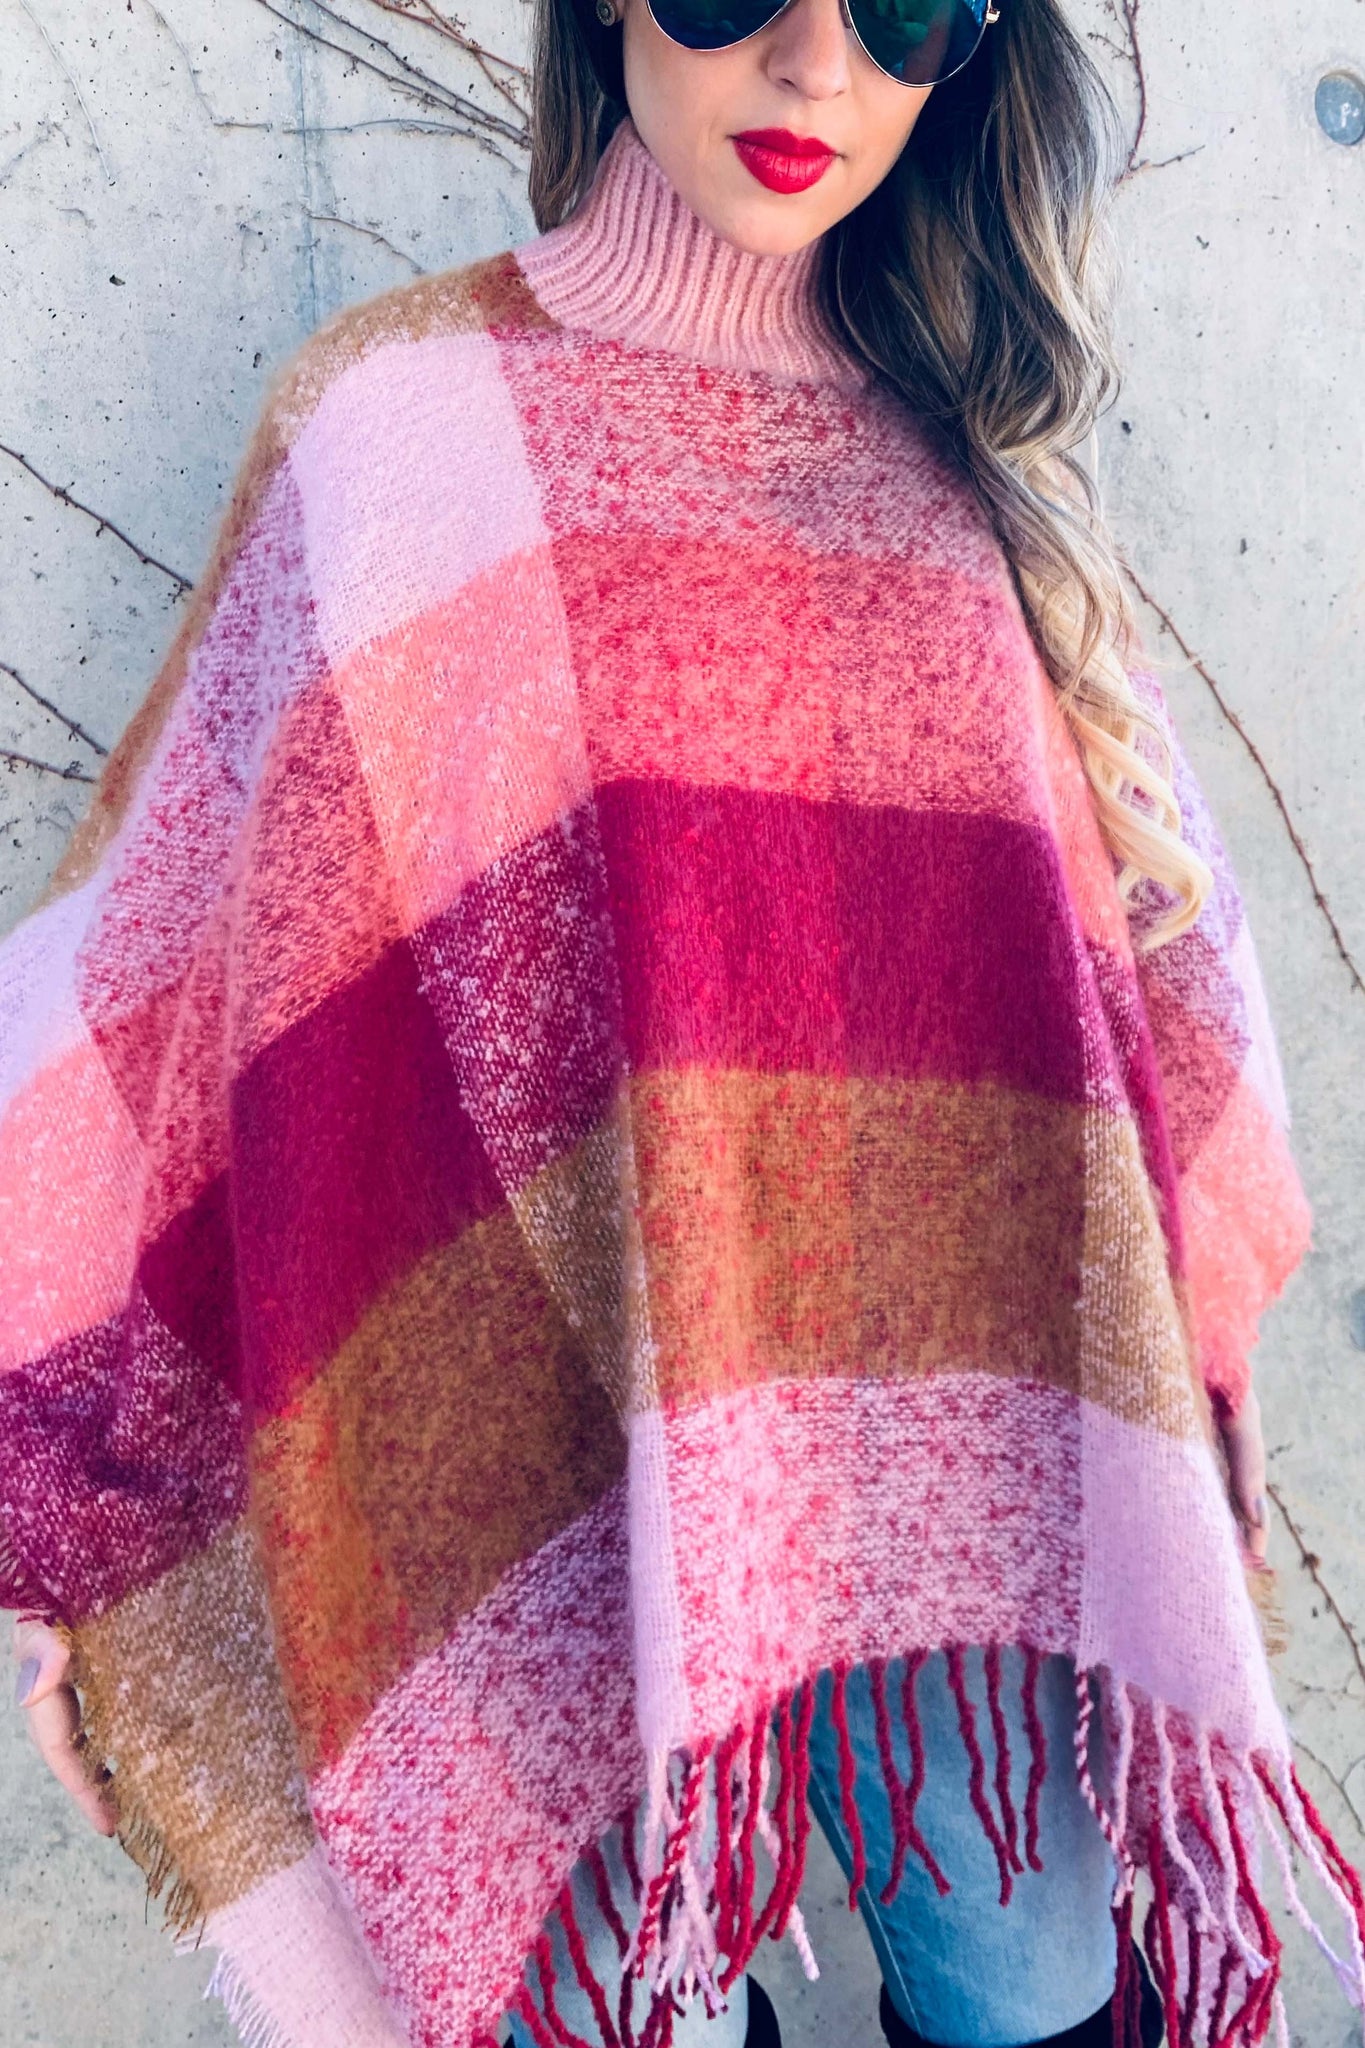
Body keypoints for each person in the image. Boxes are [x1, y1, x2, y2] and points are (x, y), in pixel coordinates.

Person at [5, 4, 1359, 2048]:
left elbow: (1117, 988)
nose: (815, 68)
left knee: (1036, 1986)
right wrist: (95, 1517)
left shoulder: (959, 463)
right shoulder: (403, 427)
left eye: (902, 10)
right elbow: (175, 986)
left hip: (952, 1425)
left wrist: (1184, 1351)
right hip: (534, 1453)